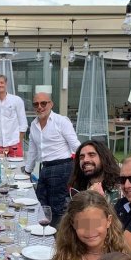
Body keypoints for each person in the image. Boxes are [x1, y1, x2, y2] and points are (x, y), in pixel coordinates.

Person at [24, 92, 80, 227]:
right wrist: (27, 172)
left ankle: (58, 241)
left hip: (62, 168)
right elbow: (32, 150)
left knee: (57, 208)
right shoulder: (34, 125)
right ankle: (44, 236)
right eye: (36, 104)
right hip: (45, 169)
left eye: (43, 103)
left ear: (51, 104)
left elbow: (75, 145)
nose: (40, 107)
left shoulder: (61, 121)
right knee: (41, 204)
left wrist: (86, 161)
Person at [0, 74, 28, 157]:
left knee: (16, 169)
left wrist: (18, 141)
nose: (0, 85)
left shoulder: (16, 100)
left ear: (6, 84)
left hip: (14, 144)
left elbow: (23, 123)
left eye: (2, 82)